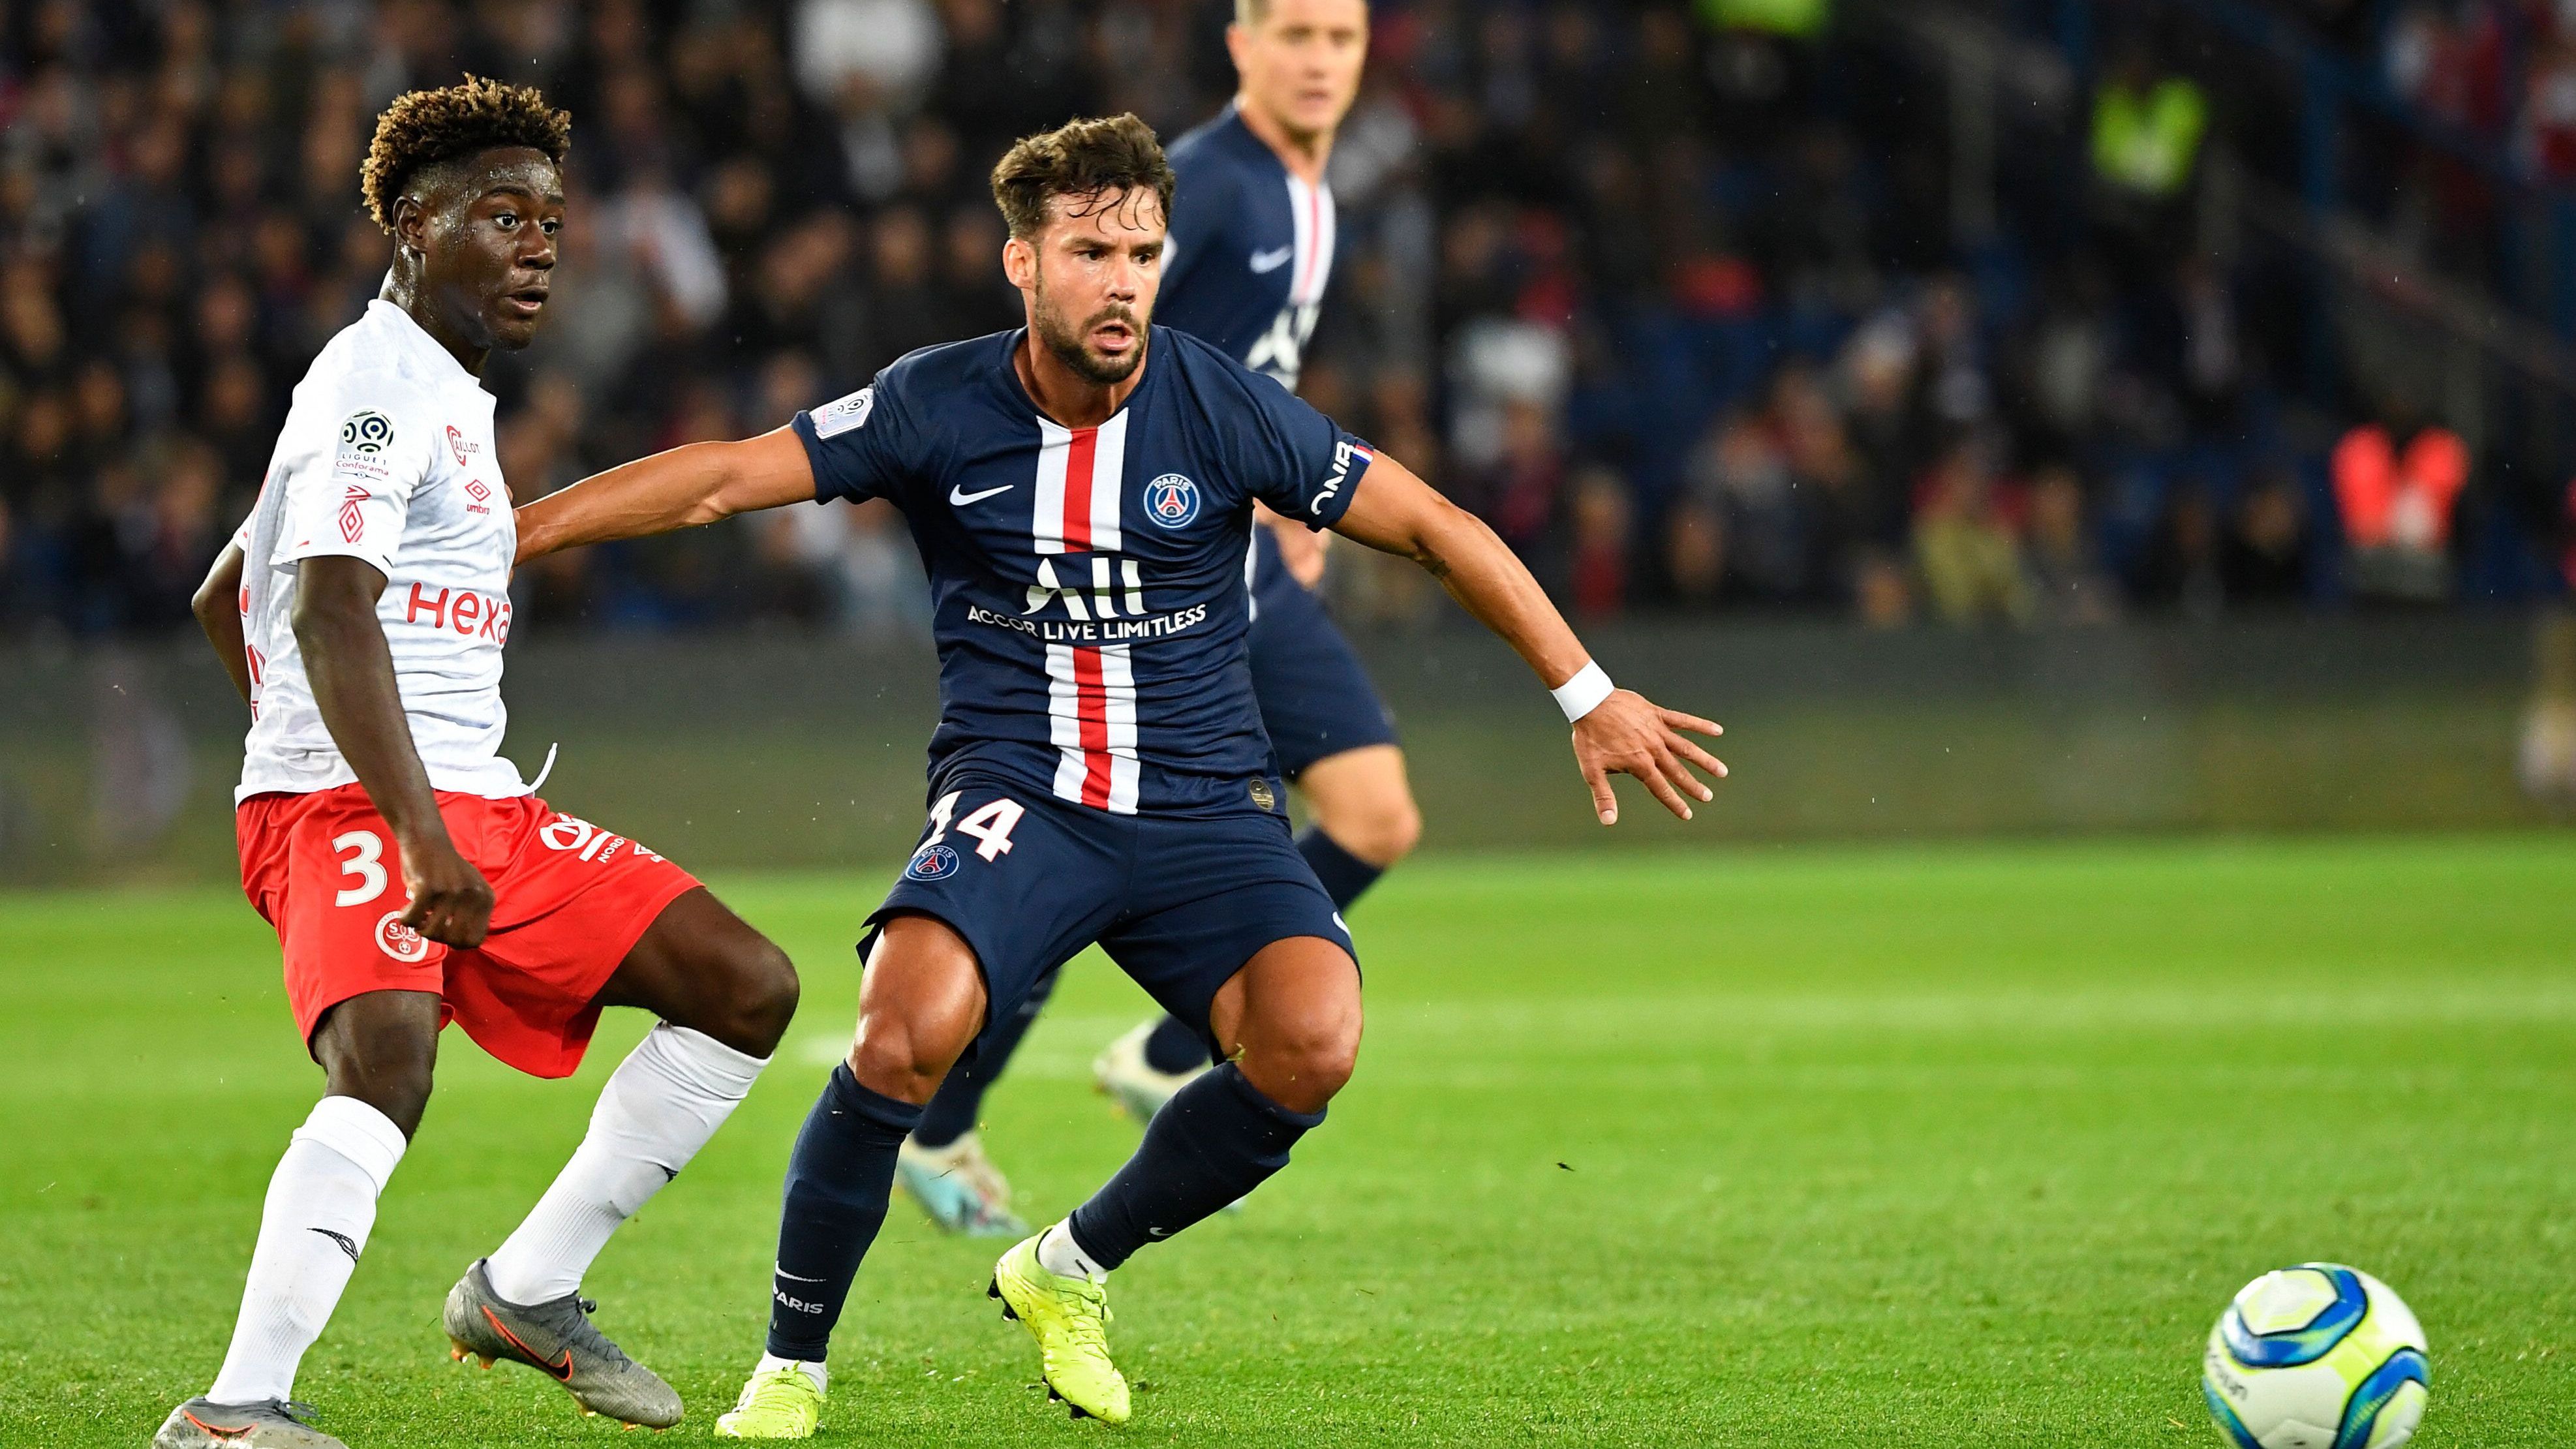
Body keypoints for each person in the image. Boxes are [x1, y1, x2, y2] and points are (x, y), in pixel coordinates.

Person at [514, 112, 1721, 1438]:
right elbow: (722, 481)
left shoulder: (1218, 402)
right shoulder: (934, 401)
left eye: (1144, 250)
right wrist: (520, 533)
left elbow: (1432, 523)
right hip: (1020, 795)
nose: (1126, 279)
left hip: (1205, 803)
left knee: (1314, 1041)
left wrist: (1585, 690)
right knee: (899, 1026)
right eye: (1092, 250)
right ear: (1021, 262)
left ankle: (1065, 1267)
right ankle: (791, 1367)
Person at [155, 80, 800, 1449]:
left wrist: (407, 792)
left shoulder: (440, 390)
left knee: (746, 987)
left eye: (552, 220)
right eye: (501, 216)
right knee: (388, 1054)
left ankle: (527, 1290)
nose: (540, 245)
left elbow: (231, 590)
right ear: (409, 225)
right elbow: (322, 605)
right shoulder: (374, 384)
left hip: (471, 798)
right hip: (369, 804)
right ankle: (234, 1410)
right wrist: (377, 810)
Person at [891, 0, 1413, 1238]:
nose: (1319, 61)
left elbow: (1240, 381)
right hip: (1161, 574)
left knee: (1374, 811)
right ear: (1241, 47)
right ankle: (947, 1112)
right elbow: (1135, 372)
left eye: (1340, 39)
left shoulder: (1309, 188)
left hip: (1240, 555)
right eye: (1294, 35)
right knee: (1095, 825)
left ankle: (1168, 1047)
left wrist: (1294, 497)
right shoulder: (1220, 189)